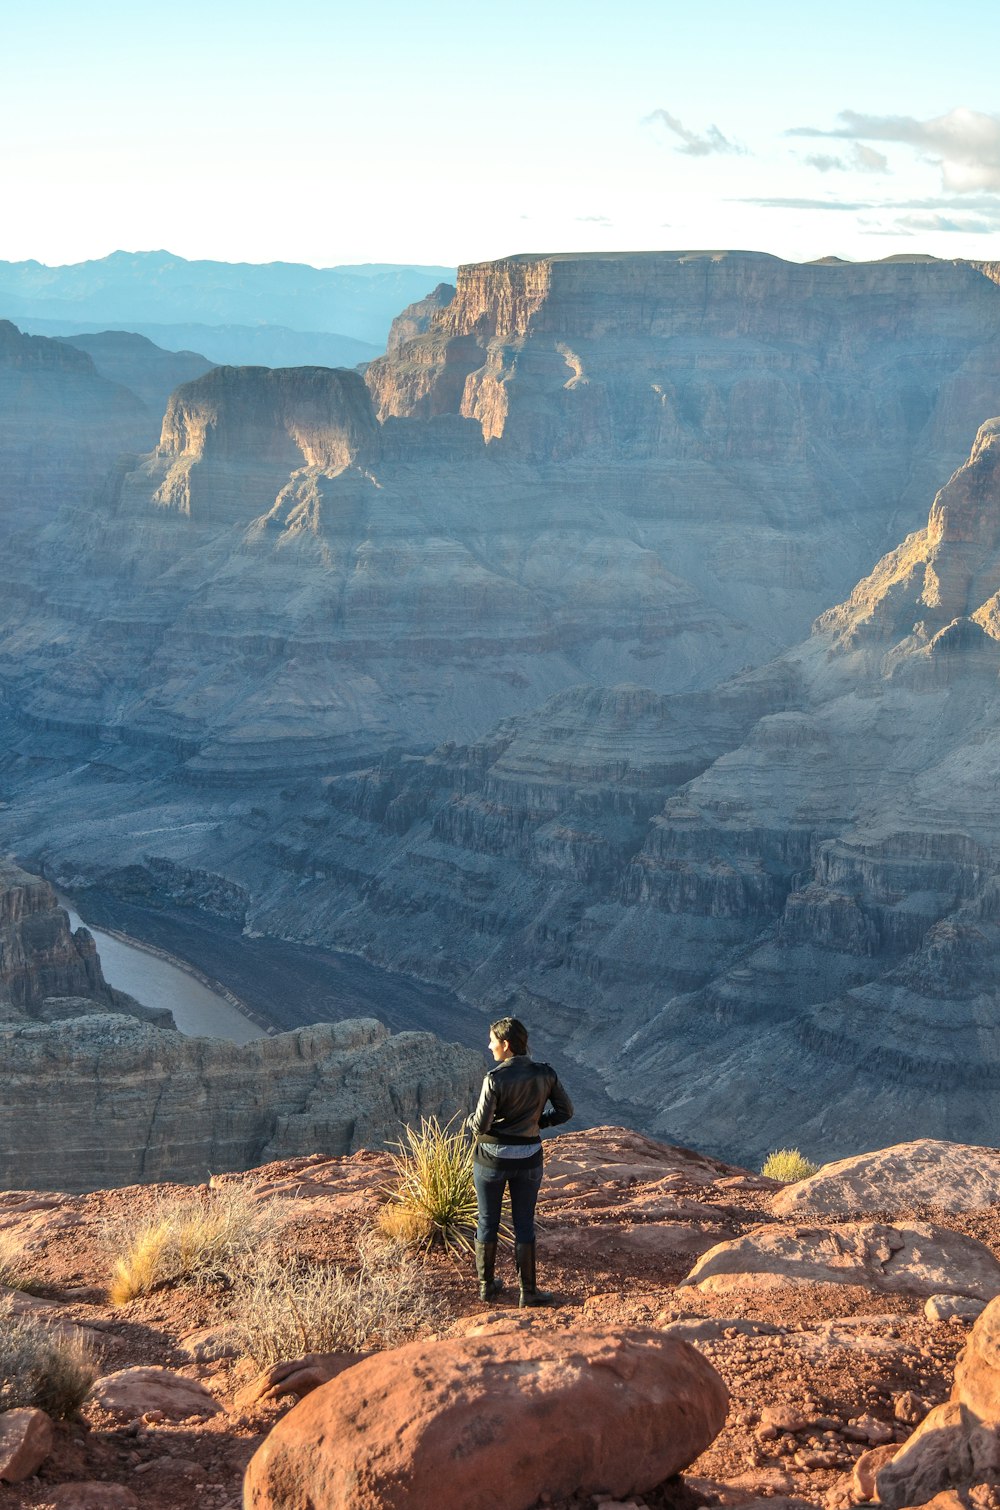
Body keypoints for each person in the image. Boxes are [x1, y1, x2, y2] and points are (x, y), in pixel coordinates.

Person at [466, 1015, 573, 1307]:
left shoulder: (495, 1079)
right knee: (524, 1222)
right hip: (528, 1159)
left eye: (492, 1041)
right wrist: (539, 1123)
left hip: (491, 1161)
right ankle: (529, 1292)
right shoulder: (545, 1074)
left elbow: (481, 1125)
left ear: (506, 1044)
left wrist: (470, 1121)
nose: (489, 1047)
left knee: (488, 1219)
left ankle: (487, 1288)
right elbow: (565, 1112)